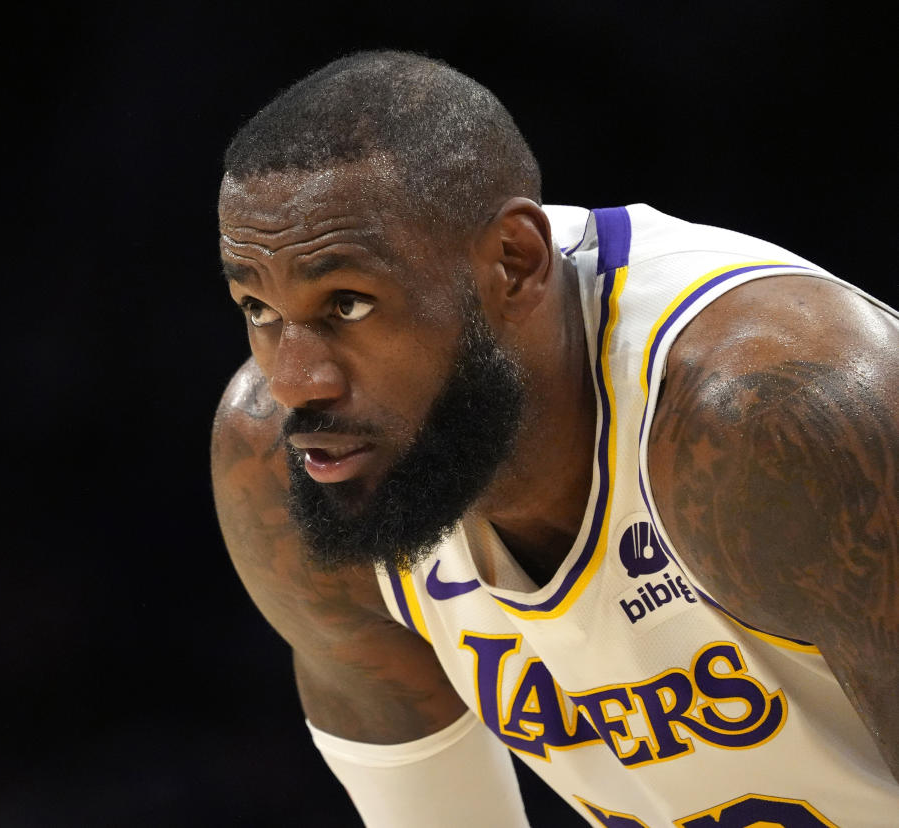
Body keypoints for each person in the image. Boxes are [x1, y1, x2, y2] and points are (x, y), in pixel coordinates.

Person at [210, 50, 899, 827]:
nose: (298, 381)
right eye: (259, 310)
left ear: (515, 263)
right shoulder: (288, 465)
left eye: (350, 305)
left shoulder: (772, 421)